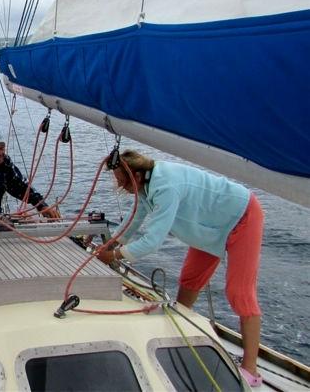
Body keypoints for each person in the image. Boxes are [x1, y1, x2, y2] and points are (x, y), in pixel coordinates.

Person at [97, 150, 264, 387]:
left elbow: (153, 241)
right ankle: (182, 327)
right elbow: (135, 218)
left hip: (241, 216)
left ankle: (251, 370)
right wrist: (111, 242)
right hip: (210, 224)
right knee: (190, 278)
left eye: (121, 180)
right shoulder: (146, 183)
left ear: (134, 174)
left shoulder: (165, 187)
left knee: (239, 292)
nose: (119, 186)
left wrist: (114, 255)